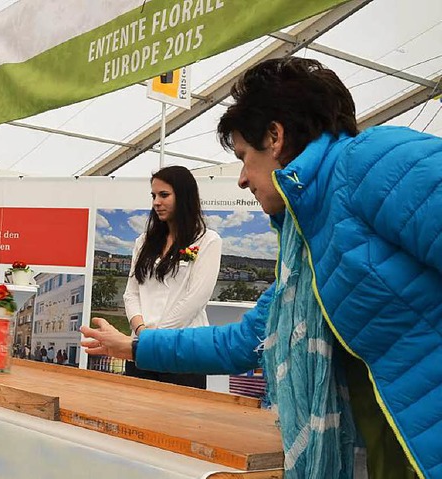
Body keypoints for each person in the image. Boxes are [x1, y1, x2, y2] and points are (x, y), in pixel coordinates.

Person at [82, 58, 442, 479]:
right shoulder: (303, 243)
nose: (240, 178)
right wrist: (133, 348)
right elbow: (245, 341)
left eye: (243, 156)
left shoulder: (371, 162)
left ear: (275, 136)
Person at [118, 165, 222, 389]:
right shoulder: (143, 241)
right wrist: (142, 332)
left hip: (183, 349)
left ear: (184, 196)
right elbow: (131, 293)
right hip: (141, 349)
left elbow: (196, 299)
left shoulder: (208, 240)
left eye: (164, 195)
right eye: (153, 195)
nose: (156, 202)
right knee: (138, 415)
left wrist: (156, 339)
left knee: (181, 419)